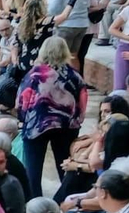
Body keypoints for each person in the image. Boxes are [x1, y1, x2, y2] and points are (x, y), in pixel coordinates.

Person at [18, 36, 89, 198]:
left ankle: (35, 204)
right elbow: (82, 101)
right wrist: (78, 120)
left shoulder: (34, 74)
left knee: (33, 169)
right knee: (64, 166)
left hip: (37, 124)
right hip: (66, 126)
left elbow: (22, 100)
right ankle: (64, 200)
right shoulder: (74, 76)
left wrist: (23, 119)